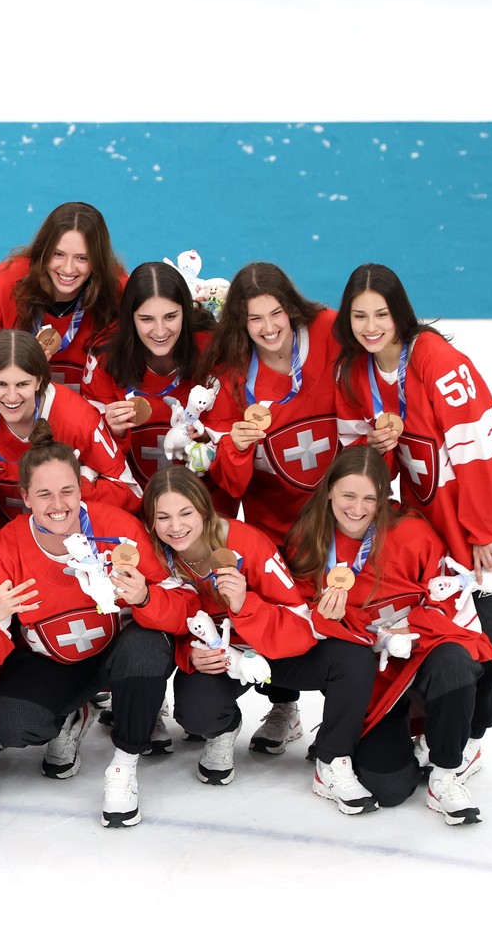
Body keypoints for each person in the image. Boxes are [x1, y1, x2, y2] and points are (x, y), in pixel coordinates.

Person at [332, 263, 492, 776]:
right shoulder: (354, 372)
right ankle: (434, 726)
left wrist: (484, 532)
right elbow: (362, 469)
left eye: (381, 314)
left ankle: (471, 738)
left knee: (485, 633)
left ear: (401, 313)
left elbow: (480, 450)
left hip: (489, 519)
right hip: (435, 522)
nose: (371, 326)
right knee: (442, 628)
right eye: (359, 315)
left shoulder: (437, 360)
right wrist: (378, 448)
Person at [0, 430, 185, 827]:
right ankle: (75, 712)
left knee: (147, 647)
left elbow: (181, 605)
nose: (58, 505)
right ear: (25, 497)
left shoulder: (118, 528)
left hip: (115, 652)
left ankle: (124, 763)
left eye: (67, 491)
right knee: (10, 724)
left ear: (81, 489)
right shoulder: (7, 546)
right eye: (44, 494)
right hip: (51, 660)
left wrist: (146, 597)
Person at [142, 465, 380, 815]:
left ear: (204, 510)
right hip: (223, 656)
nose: (175, 526)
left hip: (275, 648)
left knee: (352, 658)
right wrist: (188, 655)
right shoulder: (156, 555)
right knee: (196, 716)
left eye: (185, 513)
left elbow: (298, 621)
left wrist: (244, 605)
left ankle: (333, 759)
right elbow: (168, 622)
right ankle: (224, 729)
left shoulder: (246, 542)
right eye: (163, 517)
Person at [285, 447, 492, 823]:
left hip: (421, 658)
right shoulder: (308, 540)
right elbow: (298, 617)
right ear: (329, 491)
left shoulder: (412, 533)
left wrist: (410, 629)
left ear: (384, 497)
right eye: (349, 495)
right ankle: (371, 742)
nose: (358, 508)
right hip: (372, 682)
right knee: (390, 788)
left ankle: (445, 771)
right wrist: (325, 619)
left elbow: (448, 599)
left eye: (370, 498)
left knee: (455, 662)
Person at [201, 262, 339, 753]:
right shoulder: (231, 373)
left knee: (347, 608)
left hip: (340, 516)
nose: (268, 327)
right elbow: (229, 482)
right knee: (282, 612)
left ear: (292, 309)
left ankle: (351, 714)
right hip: (274, 520)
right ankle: (284, 705)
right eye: (254, 318)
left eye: (276, 313)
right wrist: (235, 446)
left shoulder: (329, 331)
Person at [0, 328, 140, 532]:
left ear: (39, 381)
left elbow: (129, 492)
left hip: (68, 536)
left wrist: (75, 487)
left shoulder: (76, 418)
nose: (12, 396)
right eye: (0, 384)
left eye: (22, 384)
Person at [85, 261, 221, 492]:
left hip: (205, 498)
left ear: (185, 312)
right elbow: (90, 448)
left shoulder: (211, 347)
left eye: (170, 317)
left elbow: (229, 433)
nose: (160, 331)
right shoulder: (105, 355)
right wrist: (112, 431)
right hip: (131, 496)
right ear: (130, 317)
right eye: (146, 319)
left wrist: (208, 438)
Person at [0, 201, 124, 387]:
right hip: (12, 399)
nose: (68, 268)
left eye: (82, 258)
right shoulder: (0, 286)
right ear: (43, 250)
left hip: (90, 401)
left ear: (98, 259)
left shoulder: (120, 292)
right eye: (58, 254)